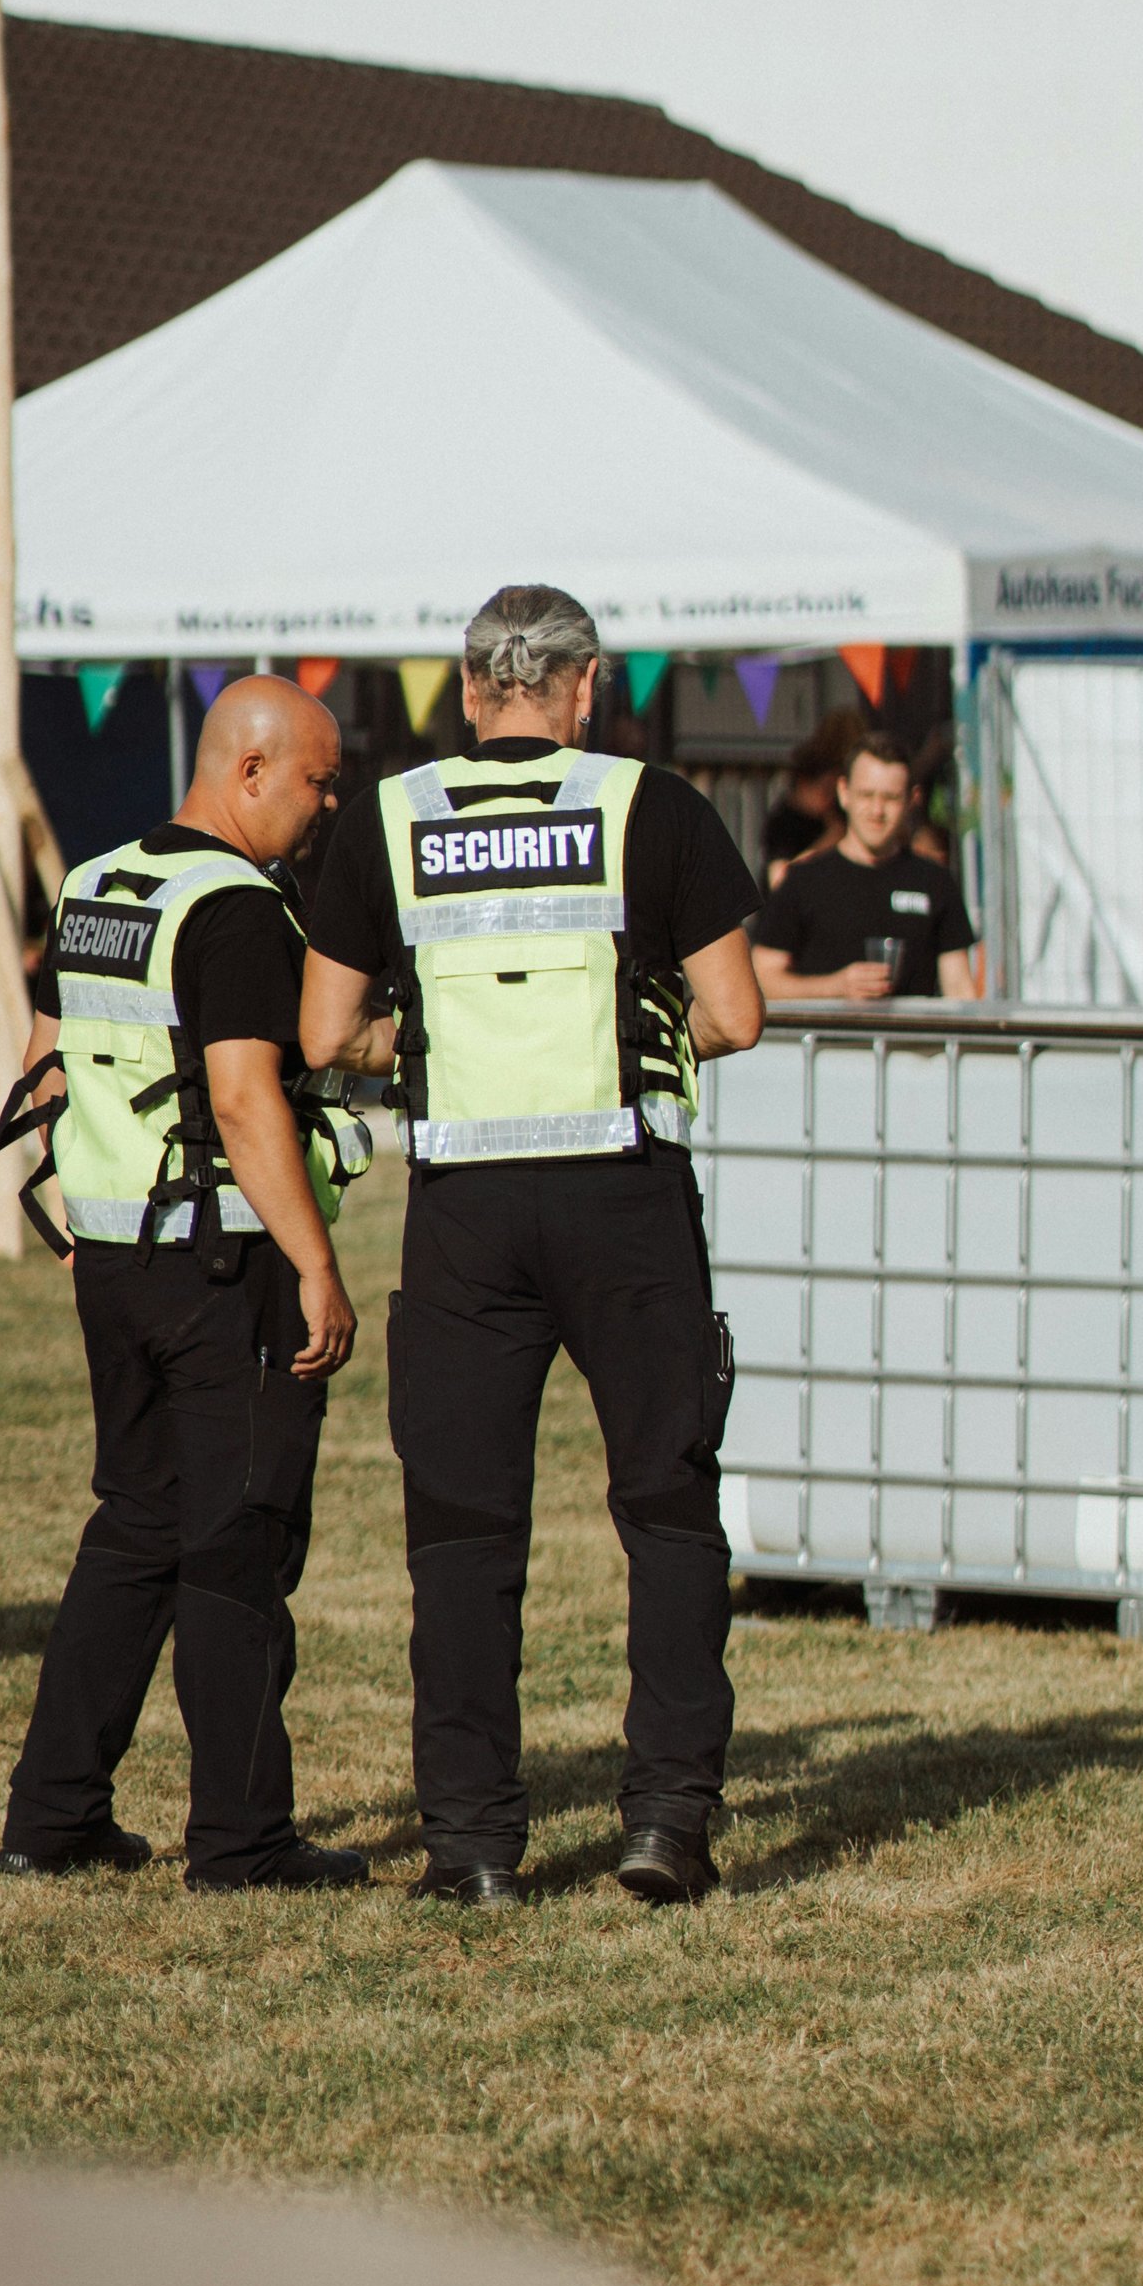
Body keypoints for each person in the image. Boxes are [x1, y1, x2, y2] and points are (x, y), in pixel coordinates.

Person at [300, 583, 764, 1912]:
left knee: (461, 1532)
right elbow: (736, 1013)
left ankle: (474, 1846)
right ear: (586, 686)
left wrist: (430, 1041)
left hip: (466, 1215)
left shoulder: (393, 818)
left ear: (467, 691)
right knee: (667, 1512)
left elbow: (328, 1032)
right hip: (622, 1196)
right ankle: (667, 1823)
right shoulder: (647, 807)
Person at [0, 677, 365, 1895]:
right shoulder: (239, 908)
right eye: (315, 782)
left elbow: (43, 1071)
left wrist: (71, 1214)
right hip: (221, 1259)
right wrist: (315, 1262)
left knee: (135, 1532)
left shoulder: (96, 882)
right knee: (236, 1544)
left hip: (112, 1258)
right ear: (248, 769)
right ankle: (244, 1841)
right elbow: (249, 1096)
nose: (323, 809)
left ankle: (53, 1815)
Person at [751, 726, 979, 1004]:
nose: (877, 811)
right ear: (844, 793)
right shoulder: (803, 881)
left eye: (890, 798)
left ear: (912, 800)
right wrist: (837, 986)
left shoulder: (934, 882)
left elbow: (960, 989)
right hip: (824, 1045)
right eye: (867, 796)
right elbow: (761, 978)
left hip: (909, 1046)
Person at [759, 707, 861, 893]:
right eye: (827, 789)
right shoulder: (785, 823)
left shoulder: (837, 819)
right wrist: (830, 840)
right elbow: (779, 880)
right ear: (804, 784)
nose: (833, 799)